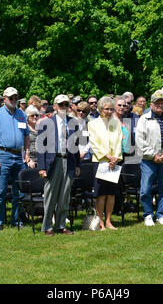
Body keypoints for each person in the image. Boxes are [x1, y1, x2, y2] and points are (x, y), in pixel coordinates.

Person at [0, 87, 30, 231]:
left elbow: (27, 136)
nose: (14, 100)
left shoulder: (22, 114)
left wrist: (27, 153)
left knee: (20, 192)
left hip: (18, 156)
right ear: (4, 99)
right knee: (0, 191)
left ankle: (16, 220)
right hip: (2, 155)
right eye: (11, 98)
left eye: (16, 97)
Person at [37, 94, 80, 235]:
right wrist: (42, 167)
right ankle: (47, 226)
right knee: (50, 195)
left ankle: (61, 225)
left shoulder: (73, 122)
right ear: (54, 106)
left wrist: (78, 164)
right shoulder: (46, 122)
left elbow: (77, 145)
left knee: (65, 195)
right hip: (53, 161)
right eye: (60, 104)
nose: (63, 107)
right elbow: (40, 147)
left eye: (66, 105)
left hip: (69, 161)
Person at [135, 90, 163, 226]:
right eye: (157, 103)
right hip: (149, 160)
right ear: (151, 104)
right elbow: (140, 141)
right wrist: (154, 155)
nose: (160, 105)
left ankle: (160, 214)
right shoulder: (144, 119)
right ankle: (148, 214)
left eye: (162, 102)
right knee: (146, 189)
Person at [88, 96, 123, 230]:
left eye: (110, 109)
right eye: (106, 109)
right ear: (100, 109)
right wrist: (107, 156)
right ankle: (100, 222)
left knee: (111, 193)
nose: (108, 111)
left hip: (114, 162)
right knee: (101, 194)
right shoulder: (92, 124)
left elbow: (119, 141)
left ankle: (109, 221)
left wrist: (115, 158)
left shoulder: (116, 123)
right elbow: (94, 143)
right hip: (100, 161)